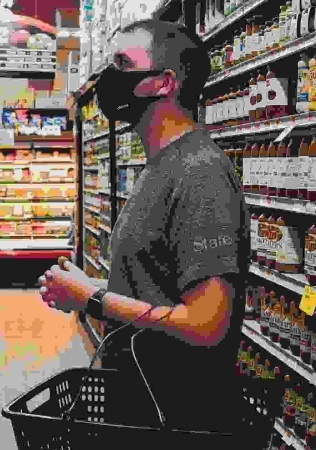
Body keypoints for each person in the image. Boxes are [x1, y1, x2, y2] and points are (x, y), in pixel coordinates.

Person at [38, 19, 249, 433]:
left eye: (122, 63)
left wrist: (94, 298)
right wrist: (88, 288)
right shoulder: (161, 167)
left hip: (179, 419)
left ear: (164, 83)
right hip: (143, 408)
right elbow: (152, 282)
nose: (108, 79)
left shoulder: (200, 174)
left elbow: (208, 324)